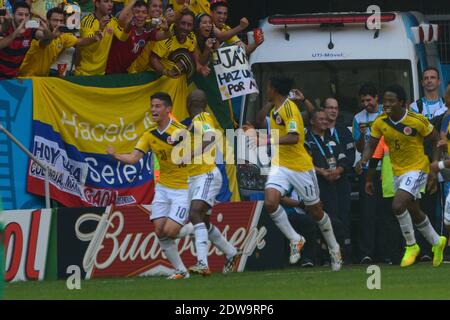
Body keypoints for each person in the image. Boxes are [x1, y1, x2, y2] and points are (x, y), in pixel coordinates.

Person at [244, 75, 342, 271]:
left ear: (275, 89)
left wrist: (266, 140)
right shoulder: (275, 108)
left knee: (316, 211)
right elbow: (260, 120)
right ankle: (295, 238)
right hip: (281, 165)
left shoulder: (290, 109)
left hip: (301, 167)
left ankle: (334, 248)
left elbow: (294, 137)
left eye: (269, 87)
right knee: (271, 202)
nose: (267, 89)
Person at [356, 84, 447, 268]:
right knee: (414, 210)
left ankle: (411, 245)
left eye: (391, 101)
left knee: (397, 205)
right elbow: (372, 145)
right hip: (398, 171)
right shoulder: (381, 122)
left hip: (417, 168)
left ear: (402, 103)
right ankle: (437, 241)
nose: (387, 105)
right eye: (385, 101)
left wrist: (434, 166)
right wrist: (363, 161)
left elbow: (437, 140)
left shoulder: (416, 120)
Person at [107, 92, 191, 280]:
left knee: (170, 231)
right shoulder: (149, 135)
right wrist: (115, 155)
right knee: (160, 232)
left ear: (168, 109)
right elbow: (134, 158)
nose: (153, 110)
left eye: (158, 106)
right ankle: (181, 271)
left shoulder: (180, 131)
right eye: (152, 106)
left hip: (182, 189)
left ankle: (194, 229)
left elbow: (196, 154)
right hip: (162, 188)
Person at [182, 89, 242, 276]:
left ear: (188, 103)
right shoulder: (197, 121)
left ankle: (202, 263)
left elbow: (210, 138)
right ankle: (231, 252)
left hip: (206, 175)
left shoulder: (202, 118)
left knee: (195, 213)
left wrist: (191, 154)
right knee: (204, 222)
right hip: (195, 177)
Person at [305, 108, 352, 263]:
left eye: (326, 119)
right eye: (321, 119)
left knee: (334, 220)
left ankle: (335, 254)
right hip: (316, 184)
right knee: (318, 219)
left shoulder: (331, 138)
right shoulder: (307, 139)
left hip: (333, 185)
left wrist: (338, 170)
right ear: (312, 121)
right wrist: (322, 172)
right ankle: (318, 256)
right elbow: (305, 163)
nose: (325, 121)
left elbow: (343, 158)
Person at [410, 67, 446, 262]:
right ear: (422, 82)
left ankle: (438, 248)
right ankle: (424, 249)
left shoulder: (446, 106)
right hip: (420, 163)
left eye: (433, 77)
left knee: (440, 206)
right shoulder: (415, 107)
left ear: (439, 82)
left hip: (442, 163)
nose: (430, 81)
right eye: (426, 78)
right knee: (422, 205)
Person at [352, 83, 386, 264]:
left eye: (369, 99)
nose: (366, 103)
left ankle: (386, 252)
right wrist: (360, 135)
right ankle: (366, 253)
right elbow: (359, 147)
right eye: (363, 100)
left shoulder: (385, 112)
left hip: (386, 168)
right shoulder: (358, 118)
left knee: (386, 212)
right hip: (367, 170)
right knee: (367, 213)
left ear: (376, 98)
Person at [18, 7, 99, 77]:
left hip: (43, 78)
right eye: (55, 20)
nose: (58, 24)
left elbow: (80, 41)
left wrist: (94, 38)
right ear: (47, 21)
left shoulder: (63, 36)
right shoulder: (39, 32)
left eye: (61, 21)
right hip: (25, 77)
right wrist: (52, 36)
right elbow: (44, 43)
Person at [105, 0, 171, 74]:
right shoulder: (127, 26)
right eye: (137, 12)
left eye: (143, 12)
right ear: (132, 14)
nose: (140, 15)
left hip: (125, 72)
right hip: (108, 71)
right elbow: (121, 18)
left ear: (147, 14)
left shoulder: (148, 32)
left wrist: (166, 29)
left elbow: (167, 35)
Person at [0, 1, 53, 79]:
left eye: (26, 15)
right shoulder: (5, 26)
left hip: (12, 77)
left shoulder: (30, 30)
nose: (23, 18)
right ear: (13, 15)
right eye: (20, 14)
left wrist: (45, 29)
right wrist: (16, 32)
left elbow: (47, 37)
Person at [75, 0, 128, 76]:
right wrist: (101, 28)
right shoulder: (88, 21)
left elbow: (122, 37)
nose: (110, 4)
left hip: (101, 73)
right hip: (84, 73)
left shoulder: (112, 21)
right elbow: (90, 48)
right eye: (106, 1)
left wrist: (129, 25)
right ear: (97, 4)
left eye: (111, 2)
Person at [149, 9, 206, 78]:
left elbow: (193, 53)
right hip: (157, 77)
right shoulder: (166, 36)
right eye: (183, 23)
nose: (186, 28)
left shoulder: (191, 37)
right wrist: (166, 72)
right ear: (176, 23)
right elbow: (153, 59)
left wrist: (200, 68)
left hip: (176, 79)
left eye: (189, 25)